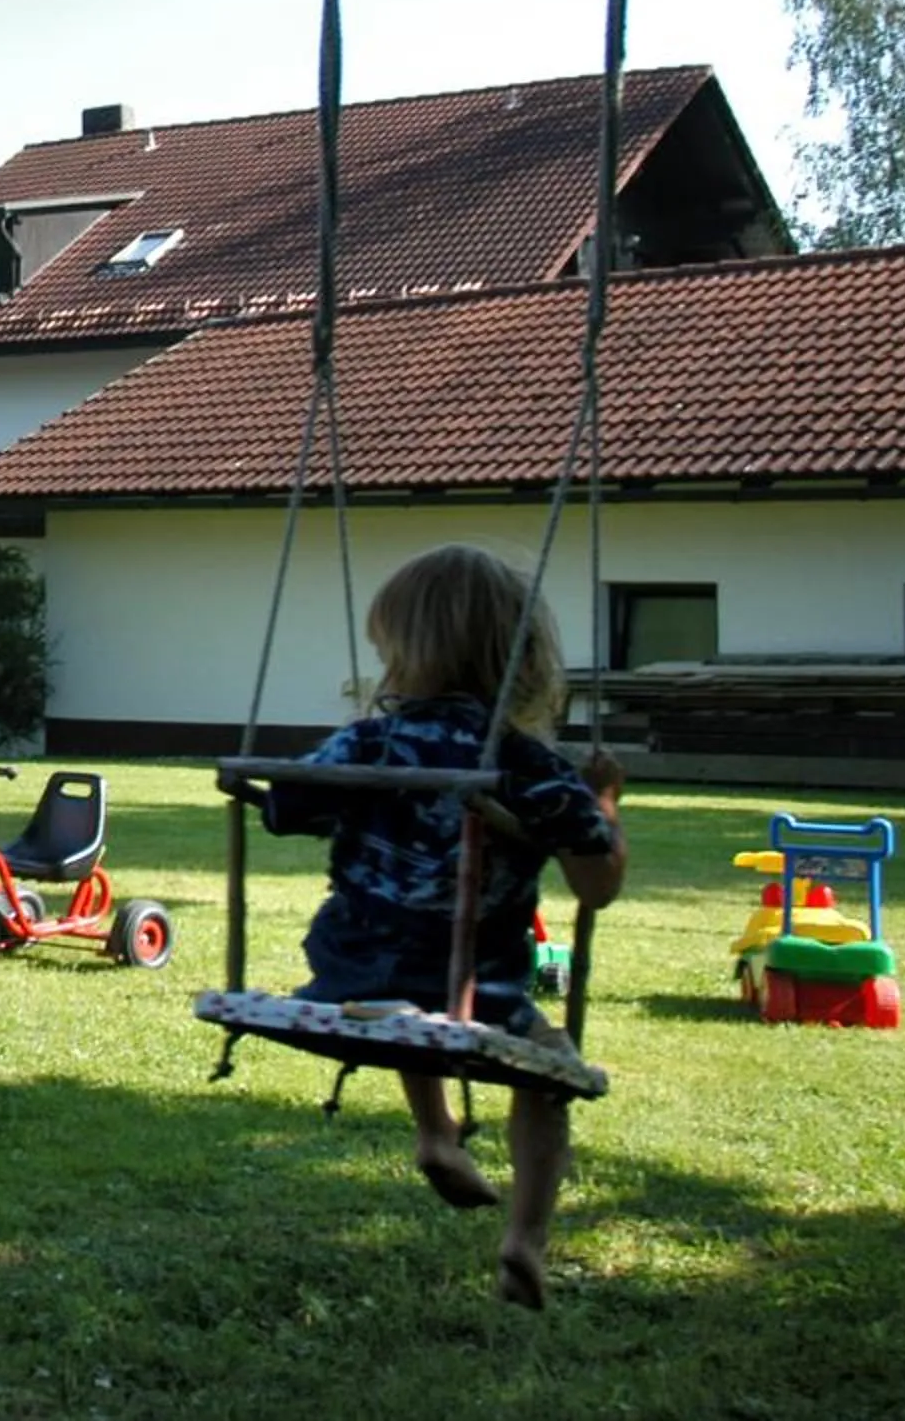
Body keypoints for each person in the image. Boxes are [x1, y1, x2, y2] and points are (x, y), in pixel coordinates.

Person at [260, 543, 628, 1310]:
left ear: (403, 654)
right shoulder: (529, 765)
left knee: (412, 1005)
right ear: (520, 660)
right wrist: (604, 802)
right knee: (546, 1070)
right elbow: (597, 887)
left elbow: (284, 808)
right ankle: (525, 1239)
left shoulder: (368, 741)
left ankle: (436, 1132)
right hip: (476, 990)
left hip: (351, 974)